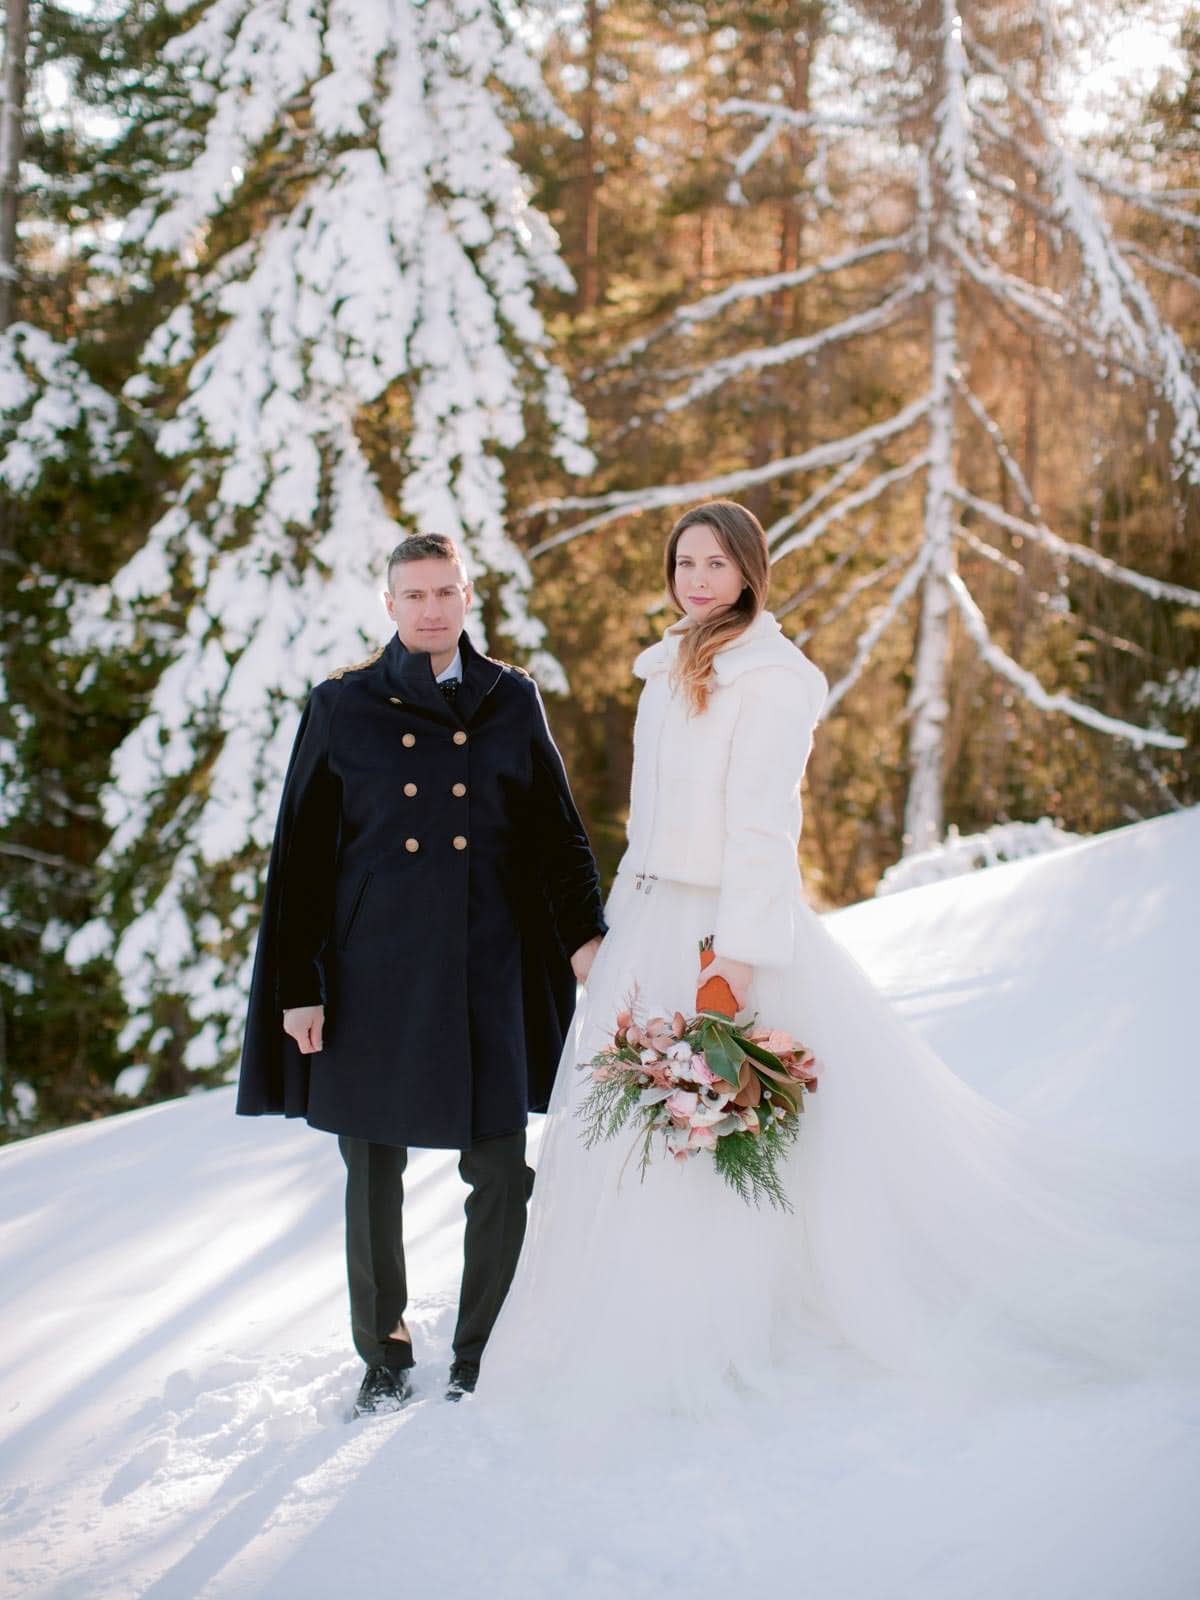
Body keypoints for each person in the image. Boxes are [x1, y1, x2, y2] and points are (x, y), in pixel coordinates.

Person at [480, 499, 1197, 1413]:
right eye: (685, 563)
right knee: (640, 1131)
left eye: (716, 564)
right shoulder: (668, 665)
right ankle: (629, 1312)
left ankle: (728, 1313)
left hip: (719, 928)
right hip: (647, 914)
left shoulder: (775, 678)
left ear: (750, 571)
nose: (697, 580)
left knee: (722, 1125)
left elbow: (762, 825)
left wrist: (732, 959)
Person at [237, 533, 607, 1415]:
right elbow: (303, 858)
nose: (432, 609)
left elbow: (558, 836)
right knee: (371, 1168)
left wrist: (585, 940)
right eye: (415, 595)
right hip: (372, 970)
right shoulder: (342, 704)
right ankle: (383, 1352)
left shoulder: (510, 698)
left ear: (467, 597)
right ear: (390, 605)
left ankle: (482, 1348)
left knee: (500, 1168)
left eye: (446, 592)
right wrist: (299, 987)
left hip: (487, 966)